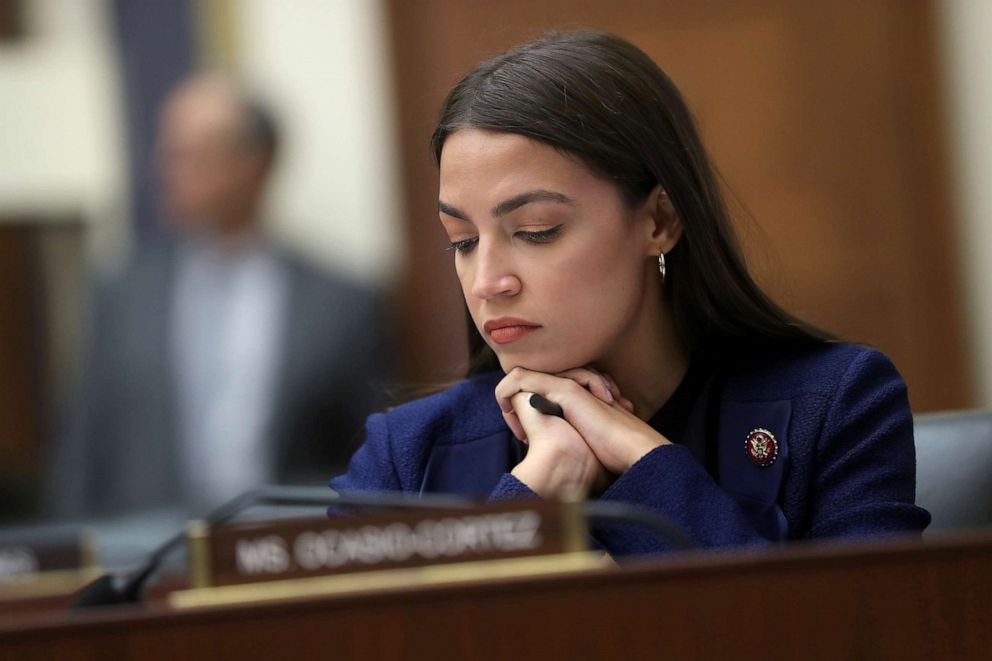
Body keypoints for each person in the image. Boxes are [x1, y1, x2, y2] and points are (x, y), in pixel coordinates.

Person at [330, 31, 930, 555]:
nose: (488, 282)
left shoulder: (836, 404)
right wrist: (540, 485)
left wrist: (643, 458)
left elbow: (857, 640)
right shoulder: (406, 456)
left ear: (659, 221)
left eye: (536, 231)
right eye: (461, 240)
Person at [50, 73, 390, 518]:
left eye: (191, 155)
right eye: (167, 151)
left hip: (288, 544)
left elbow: (373, 458)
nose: (166, 168)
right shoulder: (121, 292)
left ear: (255, 163)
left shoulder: (341, 302)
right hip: (145, 552)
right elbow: (83, 449)